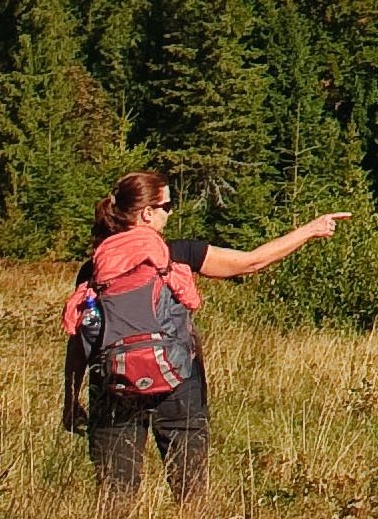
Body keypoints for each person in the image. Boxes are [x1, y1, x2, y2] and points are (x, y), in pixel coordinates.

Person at [64, 170, 346, 500]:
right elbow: (251, 262)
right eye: (167, 205)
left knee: (115, 498)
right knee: (191, 495)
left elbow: (80, 339)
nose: (171, 213)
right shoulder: (178, 253)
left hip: (113, 387)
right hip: (178, 384)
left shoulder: (94, 269)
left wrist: (70, 398)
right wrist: (309, 230)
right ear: (147, 213)